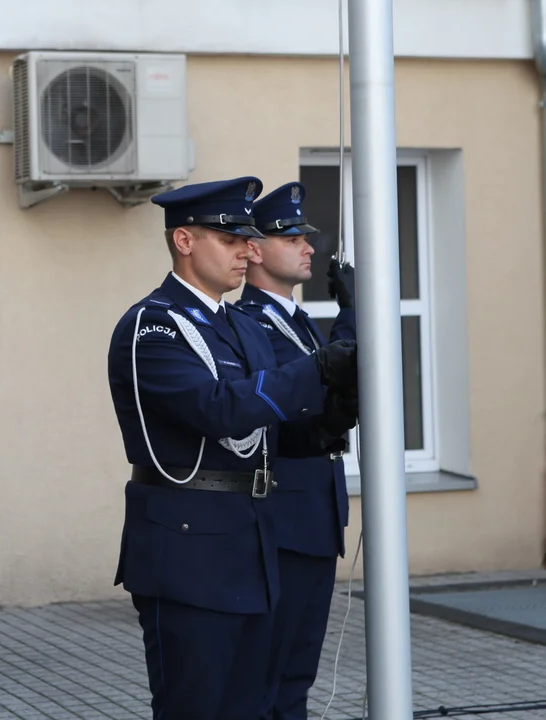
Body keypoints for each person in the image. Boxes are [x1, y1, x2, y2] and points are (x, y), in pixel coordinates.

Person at [106, 176, 358, 720]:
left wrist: (340, 405)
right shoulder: (154, 326)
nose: (247, 249)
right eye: (229, 237)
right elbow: (219, 409)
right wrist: (317, 369)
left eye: (248, 237)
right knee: (198, 705)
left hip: (251, 544)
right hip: (190, 549)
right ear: (185, 241)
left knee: (255, 702)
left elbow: (284, 425)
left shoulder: (235, 328)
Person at [235, 181, 358, 720]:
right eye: (292, 237)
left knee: (297, 673)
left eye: (306, 237)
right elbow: (279, 409)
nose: (310, 247)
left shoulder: (299, 321)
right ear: (255, 249)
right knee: (267, 673)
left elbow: (341, 368)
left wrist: (352, 309)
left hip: (314, 517)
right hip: (282, 517)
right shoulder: (248, 325)